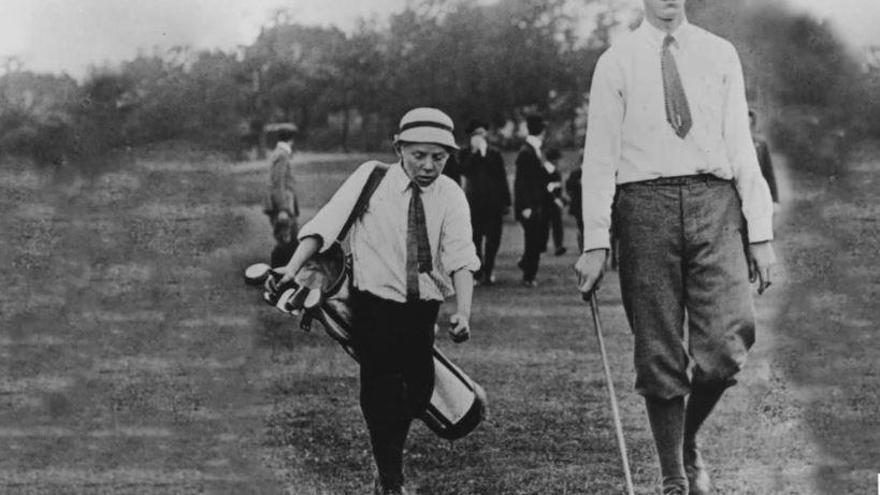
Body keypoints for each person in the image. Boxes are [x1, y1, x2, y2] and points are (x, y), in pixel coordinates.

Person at [574, 1, 776, 494]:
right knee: (659, 349)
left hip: (715, 200)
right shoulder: (615, 61)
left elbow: (741, 144)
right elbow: (599, 154)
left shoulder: (719, 53)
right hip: (643, 205)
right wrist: (597, 239)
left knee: (727, 346)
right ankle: (673, 476)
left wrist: (760, 231)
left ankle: (687, 440)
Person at [277, 107, 479, 495]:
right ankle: (391, 479)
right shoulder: (372, 178)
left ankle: (387, 463)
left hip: (422, 311)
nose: (428, 166)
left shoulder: (451, 194)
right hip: (374, 306)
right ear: (398, 147)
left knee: (418, 394)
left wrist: (463, 312)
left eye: (439, 157)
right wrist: (291, 269)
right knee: (381, 392)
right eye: (418, 155)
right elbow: (326, 226)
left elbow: (461, 258)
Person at [459, 119, 511, 285]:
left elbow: (501, 178)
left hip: (493, 203)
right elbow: (464, 169)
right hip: (474, 203)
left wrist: (506, 202)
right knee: (475, 239)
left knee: (493, 239)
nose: (480, 137)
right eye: (476, 134)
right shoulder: (465, 153)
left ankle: (489, 270)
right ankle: (478, 271)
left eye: (482, 134)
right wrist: (475, 153)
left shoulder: (494, 154)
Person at [514, 114, 549, 287]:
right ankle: (529, 275)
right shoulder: (528, 152)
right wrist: (526, 206)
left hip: (535, 204)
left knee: (536, 240)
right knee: (533, 241)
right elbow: (522, 182)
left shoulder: (530, 150)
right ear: (542, 131)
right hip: (531, 205)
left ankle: (527, 265)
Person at [262, 123, 301, 267]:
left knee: (289, 242)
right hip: (282, 206)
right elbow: (278, 183)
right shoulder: (282, 155)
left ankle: (280, 276)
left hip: (281, 204)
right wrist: (283, 208)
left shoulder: (279, 153)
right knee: (288, 242)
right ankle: (278, 278)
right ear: (291, 139)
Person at [749, 109, 779, 204]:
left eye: (749, 125)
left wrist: (775, 200)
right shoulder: (734, 146)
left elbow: (768, 173)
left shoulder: (760, 144)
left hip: (756, 195)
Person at [543, 148, 568, 256]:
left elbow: (557, 187)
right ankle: (542, 246)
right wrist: (555, 199)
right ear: (554, 160)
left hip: (555, 203)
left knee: (557, 224)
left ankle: (558, 246)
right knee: (544, 225)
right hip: (546, 202)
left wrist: (561, 199)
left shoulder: (556, 172)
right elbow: (545, 188)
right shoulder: (543, 170)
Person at [565, 160, 584, 252]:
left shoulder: (593, 173)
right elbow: (569, 187)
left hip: (587, 206)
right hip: (578, 206)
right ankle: (582, 247)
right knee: (581, 227)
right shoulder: (575, 174)